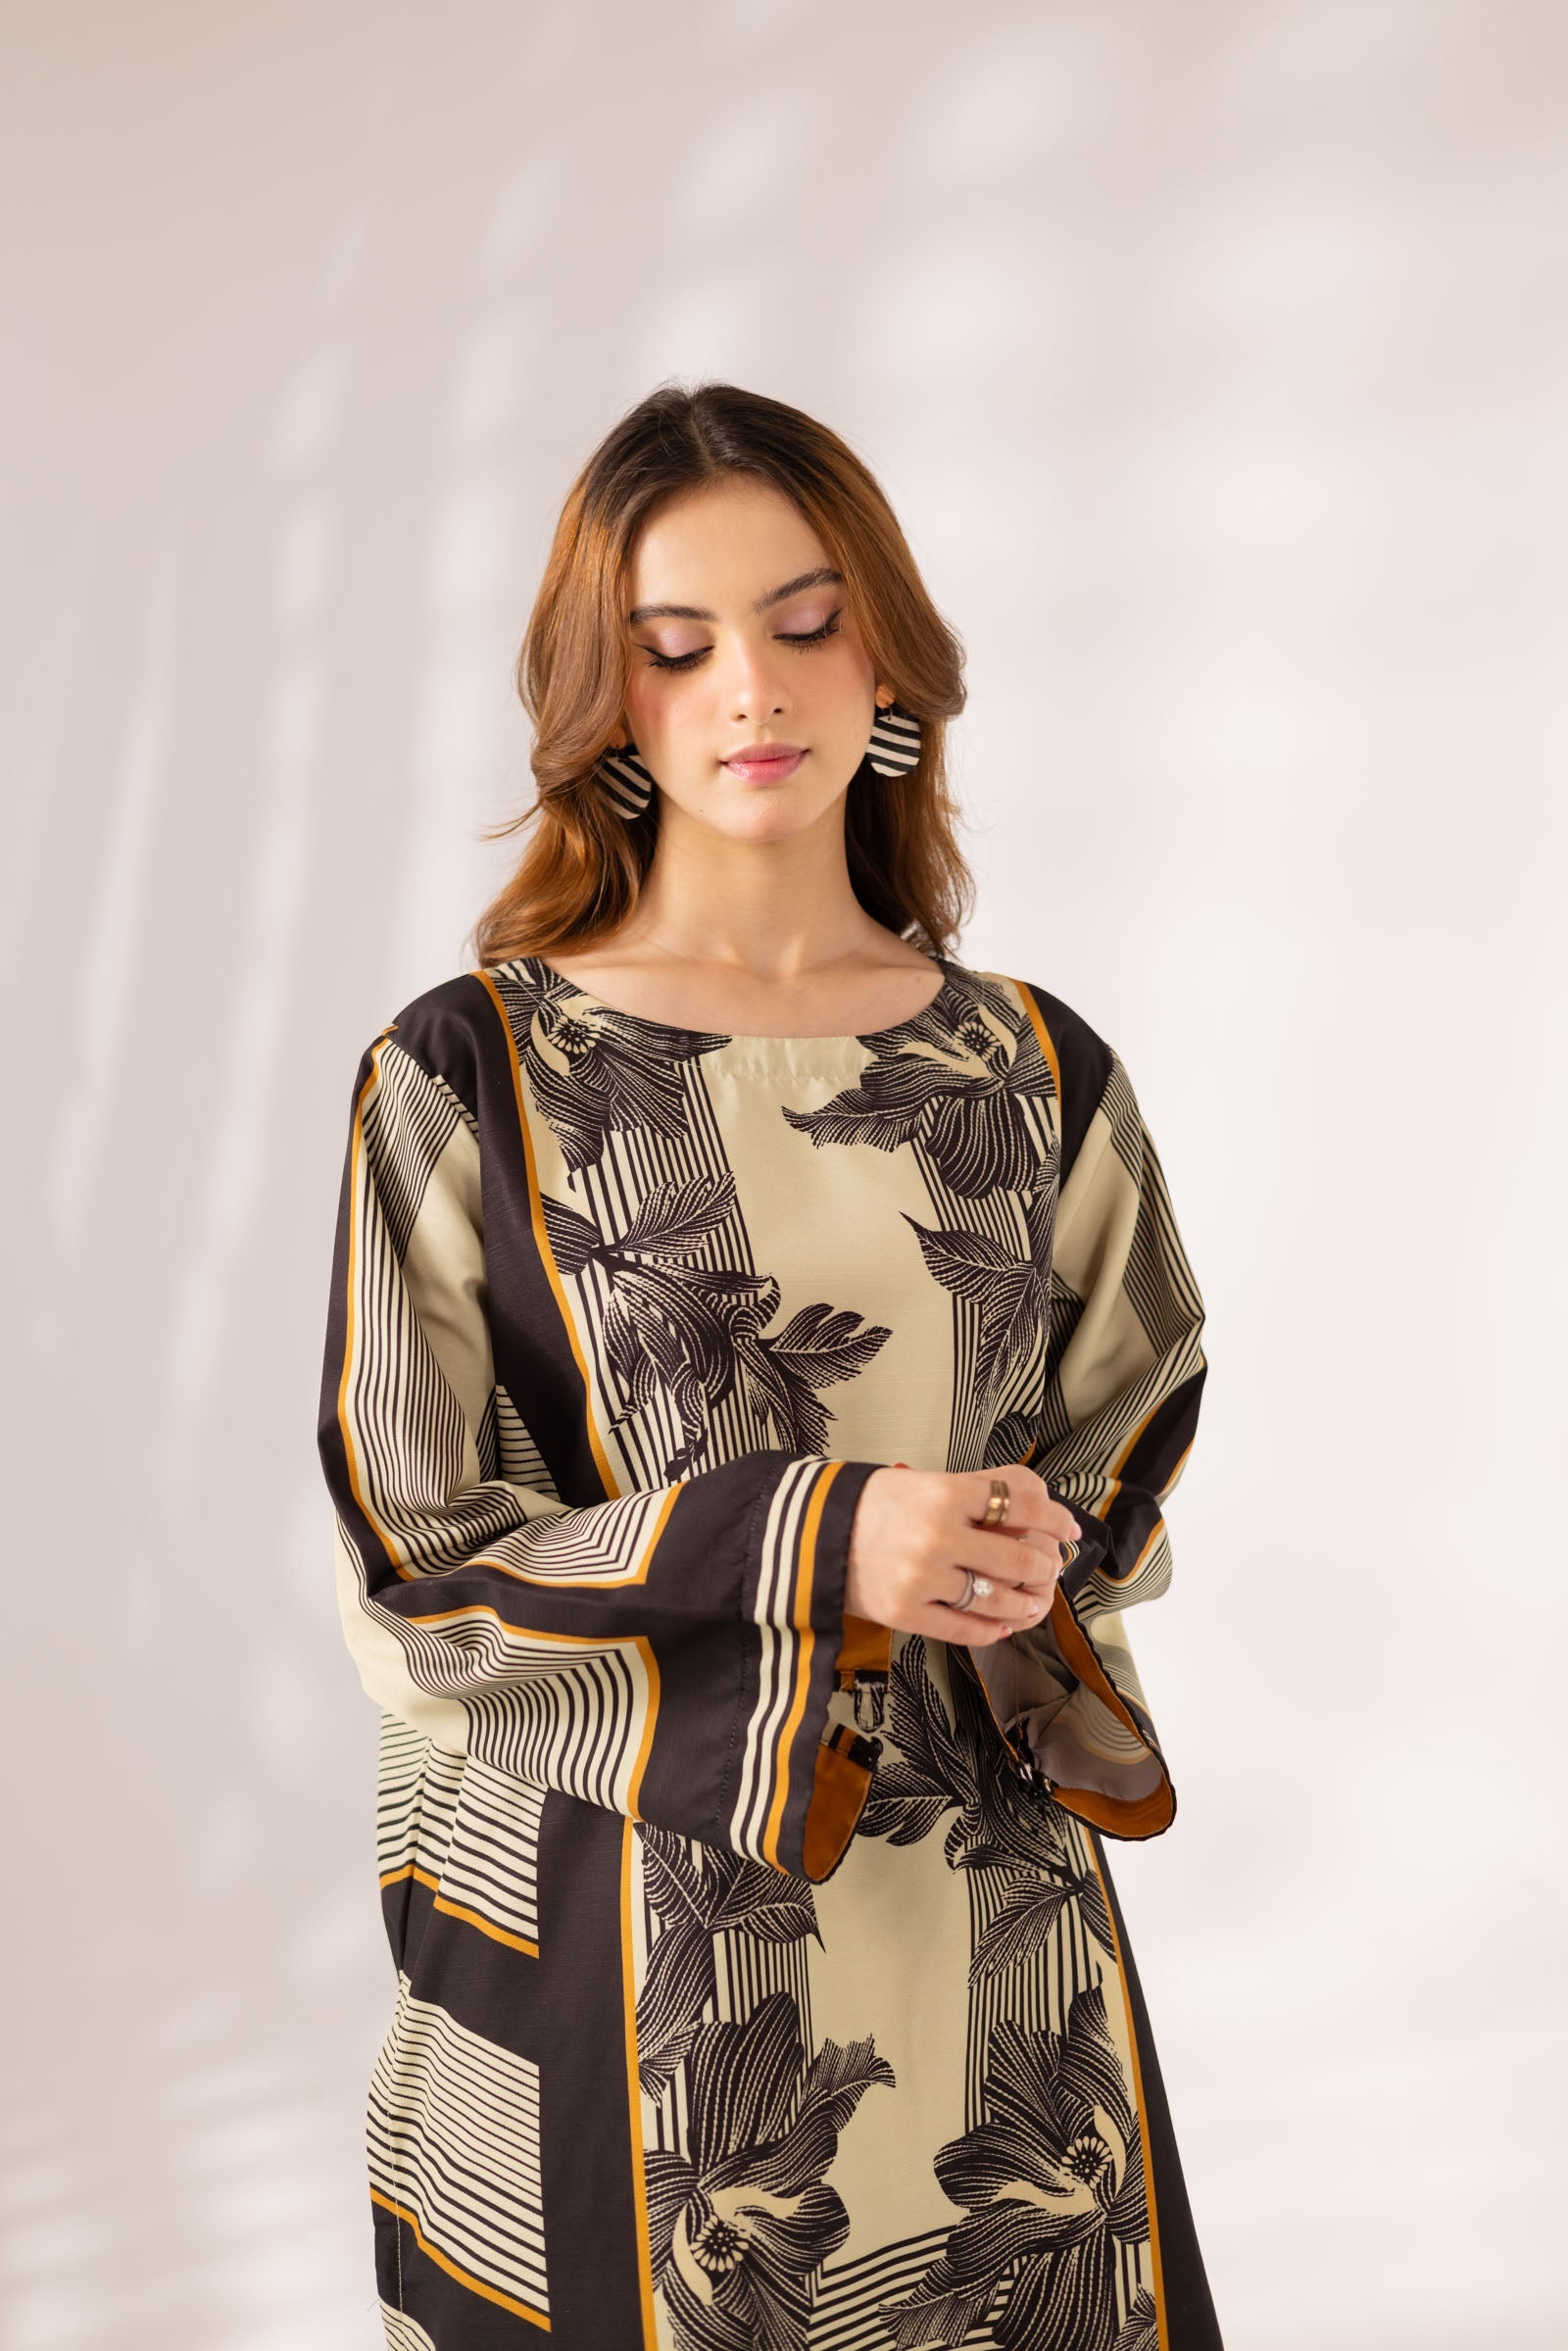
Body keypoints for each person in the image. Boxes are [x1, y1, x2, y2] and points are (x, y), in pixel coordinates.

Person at [317, 380, 1221, 2351]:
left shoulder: (1030, 1067)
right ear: (608, 700)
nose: (753, 688)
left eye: (805, 622)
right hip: (617, 1935)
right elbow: (414, 1572)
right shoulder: (469, 1074)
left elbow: (1130, 1413)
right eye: (677, 646)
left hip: (989, 1935)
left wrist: (1030, 1547)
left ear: (884, 656)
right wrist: (820, 1536)